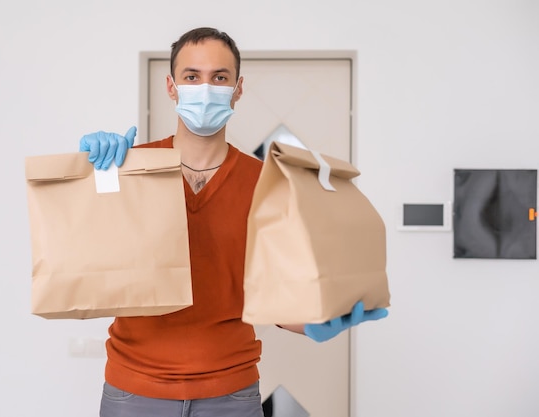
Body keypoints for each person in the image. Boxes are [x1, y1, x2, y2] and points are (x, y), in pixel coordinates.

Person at [79, 27, 388, 417]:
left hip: (230, 397)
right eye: (192, 77)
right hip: (134, 392)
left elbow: (272, 297)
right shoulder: (131, 169)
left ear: (238, 88)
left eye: (219, 78)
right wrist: (95, 176)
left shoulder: (267, 184)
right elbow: (90, 260)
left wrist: (318, 320)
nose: (205, 88)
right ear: (172, 87)